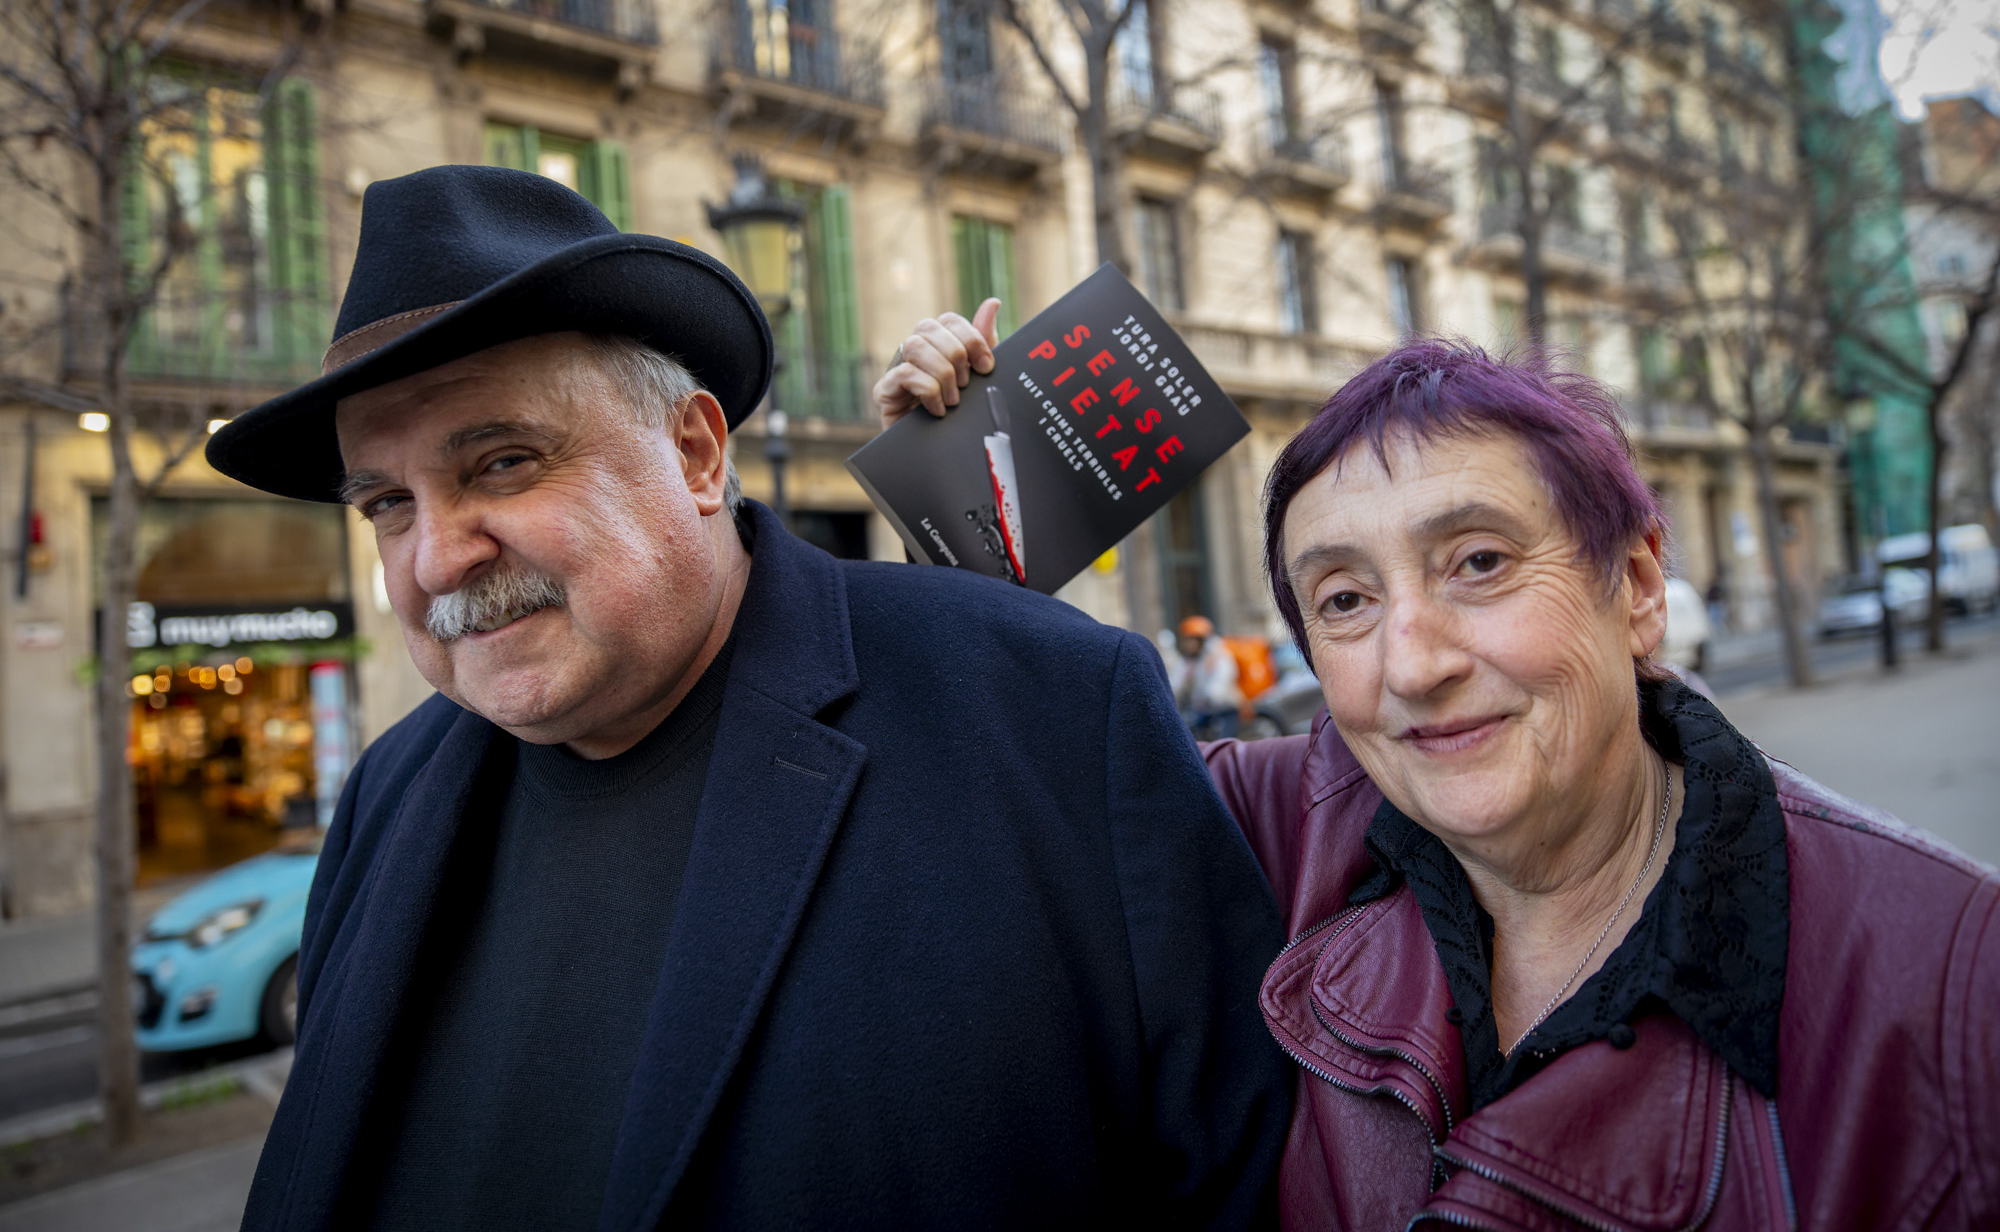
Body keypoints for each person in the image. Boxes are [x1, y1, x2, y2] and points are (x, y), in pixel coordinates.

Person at [206, 167, 1292, 1230]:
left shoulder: (1053, 708)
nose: (436, 558)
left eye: (500, 463)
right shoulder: (389, 791)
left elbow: (1237, 1179)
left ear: (693, 450)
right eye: (388, 502)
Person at [879, 314, 2000, 1228]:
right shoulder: (1274, 826)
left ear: (1638, 589)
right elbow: (1024, 792)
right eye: (1344, 601)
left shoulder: (1951, 978)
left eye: (1477, 562)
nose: (1409, 664)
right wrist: (966, 505)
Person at [1162, 616, 1242, 741]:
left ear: (1203, 641)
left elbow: (1220, 682)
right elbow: (1175, 683)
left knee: (1224, 741)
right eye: (1187, 640)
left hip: (1225, 708)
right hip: (1203, 710)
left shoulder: (1219, 657)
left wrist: (1209, 694)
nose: (1189, 645)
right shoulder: (1188, 661)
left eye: (1193, 640)